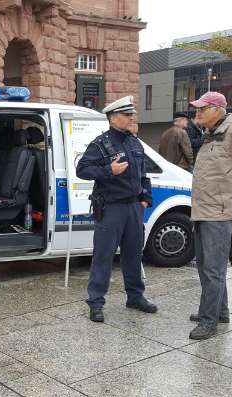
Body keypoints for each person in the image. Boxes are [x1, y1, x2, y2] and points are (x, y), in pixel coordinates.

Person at [187, 92, 232, 340]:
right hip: (203, 209)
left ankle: (209, 321)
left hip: (218, 211)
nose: (197, 113)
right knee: (206, 264)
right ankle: (221, 311)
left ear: (217, 109)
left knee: (213, 268)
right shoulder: (211, 134)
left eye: (202, 109)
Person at [76, 96, 156, 323]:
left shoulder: (134, 142)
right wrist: (108, 171)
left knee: (133, 254)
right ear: (113, 118)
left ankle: (135, 296)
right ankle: (96, 302)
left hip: (133, 207)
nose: (132, 118)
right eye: (127, 115)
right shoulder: (101, 144)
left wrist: (145, 199)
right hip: (111, 208)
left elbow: (143, 174)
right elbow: (82, 169)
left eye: (132, 114)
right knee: (103, 256)